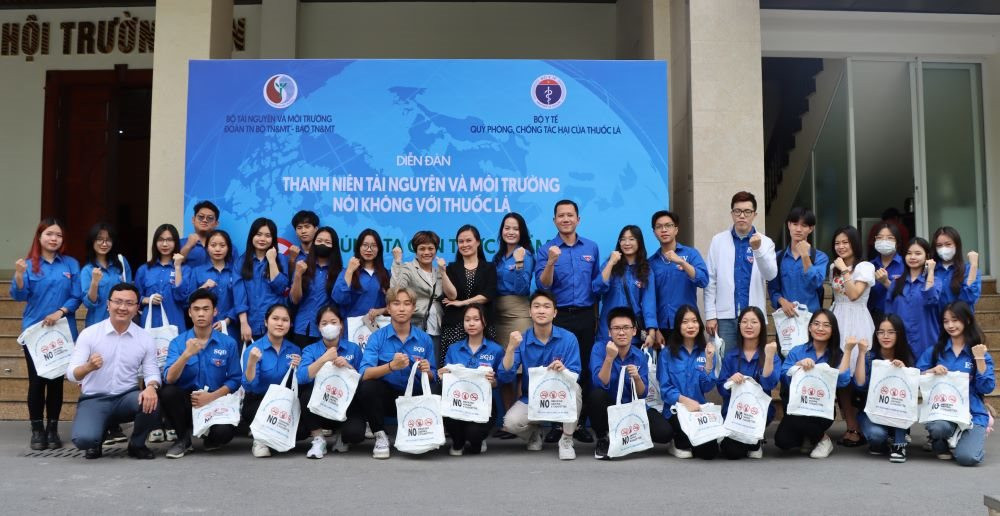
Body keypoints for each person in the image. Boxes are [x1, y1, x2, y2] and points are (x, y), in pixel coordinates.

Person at [66, 283, 160, 459]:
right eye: (118, 302)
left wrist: (151, 387)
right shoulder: (90, 334)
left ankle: (137, 444)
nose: (123, 307)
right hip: (95, 398)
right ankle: (97, 436)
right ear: (108, 305)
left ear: (137, 308)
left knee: (152, 401)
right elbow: (71, 374)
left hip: (127, 397)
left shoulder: (144, 337)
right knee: (84, 440)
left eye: (129, 303)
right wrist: (88, 367)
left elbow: (152, 371)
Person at [11, 218, 82, 450]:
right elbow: (19, 295)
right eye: (49, 234)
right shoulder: (29, 265)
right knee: (37, 381)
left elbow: (77, 295)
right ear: (39, 237)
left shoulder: (70, 264)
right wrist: (20, 275)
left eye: (58, 235)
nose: (54, 239)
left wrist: (60, 312)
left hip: (62, 331)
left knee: (56, 383)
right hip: (35, 332)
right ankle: (37, 430)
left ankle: (52, 430)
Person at [534, 200, 600, 443]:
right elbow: (543, 285)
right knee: (556, 368)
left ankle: (579, 423)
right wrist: (551, 261)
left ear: (578, 219)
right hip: (558, 315)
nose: (565, 219)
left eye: (570, 215)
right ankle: (556, 424)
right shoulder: (547, 249)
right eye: (560, 215)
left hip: (584, 316)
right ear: (554, 221)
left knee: (580, 369)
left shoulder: (591, 248)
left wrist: (595, 318)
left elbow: (595, 287)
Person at [499, 290, 584, 460]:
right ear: (530, 312)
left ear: (555, 312)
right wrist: (510, 348)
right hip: (532, 398)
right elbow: (505, 376)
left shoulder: (569, 338)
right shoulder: (521, 340)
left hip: (560, 396)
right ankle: (534, 432)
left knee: (575, 389)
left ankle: (566, 440)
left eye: (546, 306)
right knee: (510, 423)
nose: (541, 310)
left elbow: (576, 374)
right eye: (536, 306)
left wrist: (563, 369)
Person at [355, 287, 437, 459]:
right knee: (368, 387)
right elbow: (365, 373)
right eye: (396, 303)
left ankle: (426, 432)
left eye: (407, 304)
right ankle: (380, 436)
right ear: (389, 308)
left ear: (413, 307)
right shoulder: (377, 337)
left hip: (414, 398)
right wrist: (391, 366)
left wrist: (427, 371)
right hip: (387, 400)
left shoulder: (424, 339)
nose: (401, 308)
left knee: (439, 388)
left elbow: (433, 376)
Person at [159, 288, 242, 458]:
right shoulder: (178, 342)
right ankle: (183, 439)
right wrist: (186, 354)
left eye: (206, 309)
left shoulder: (228, 343)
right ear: (189, 312)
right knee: (168, 392)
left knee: (224, 433)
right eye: (196, 309)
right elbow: (169, 378)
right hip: (186, 401)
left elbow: (235, 379)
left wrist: (212, 397)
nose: (201, 314)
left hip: (215, 399)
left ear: (215, 311)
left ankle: (210, 438)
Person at [588, 307, 673, 460]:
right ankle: (603, 438)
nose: (621, 332)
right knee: (596, 396)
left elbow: (643, 394)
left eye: (626, 328)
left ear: (634, 331)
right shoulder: (599, 349)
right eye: (616, 328)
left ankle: (631, 436)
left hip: (632, 408)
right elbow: (599, 383)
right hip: (609, 407)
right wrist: (609, 358)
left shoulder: (639, 355)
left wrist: (637, 378)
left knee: (664, 433)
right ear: (609, 332)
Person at [704, 191, 777, 369]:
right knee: (724, 364)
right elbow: (710, 280)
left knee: (755, 363)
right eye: (737, 211)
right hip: (725, 317)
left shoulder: (766, 242)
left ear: (755, 215)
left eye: (747, 212)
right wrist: (710, 315)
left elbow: (771, 275)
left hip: (754, 317)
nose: (742, 216)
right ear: (732, 214)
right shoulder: (718, 241)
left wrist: (758, 250)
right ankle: (728, 397)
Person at [917, 301, 994, 466]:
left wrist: (979, 359)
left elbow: (986, 387)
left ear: (967, 320)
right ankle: (939, 442)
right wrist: (930, 371)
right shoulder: (935, 351)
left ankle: (968, 439)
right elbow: (915, 377)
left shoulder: (979, 351)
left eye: (955, 320)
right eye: (946, 321)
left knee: (967, 458)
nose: (950, 325)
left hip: (973, 413)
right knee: (938, 427)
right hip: (943, 411)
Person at [774, 309, 853, 459]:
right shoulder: (797, 351)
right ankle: (811, 437)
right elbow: (783, 376)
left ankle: (823, 440)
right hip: (798, 407)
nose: (820, 328)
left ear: (833, 330)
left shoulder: (837, 354)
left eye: (826, 325)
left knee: (799, 424)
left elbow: (843, 382)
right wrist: (798, 365)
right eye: (816, 324)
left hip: (823, 410)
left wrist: (848, 351)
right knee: (782, 442)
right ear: (809, 328)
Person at [297, 305, 365, 459]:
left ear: (341, 325)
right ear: (319, 328)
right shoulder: (310, 350)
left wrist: (348, 367)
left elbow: (362, 380)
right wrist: (323, 359)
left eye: (333, 322)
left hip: (345, 407)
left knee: (355, 434)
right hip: (320, 408)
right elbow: (301, 377)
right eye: (324, 323)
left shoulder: (353, 349)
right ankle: (318, 438)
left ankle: (342, 435)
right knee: (306, 393)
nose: (329, 326)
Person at [828, 225, 875, 447]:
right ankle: (851, 426)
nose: (841, 246)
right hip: (838, 320)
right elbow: (838, 298)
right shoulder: (833, 267)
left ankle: (864, 425)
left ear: (855, 243)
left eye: (845, 242)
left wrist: (845, 270)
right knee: (842, 377)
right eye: (837, 243)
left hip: (858, 322)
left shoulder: (865, 267)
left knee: (860, 375)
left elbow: (855, 294)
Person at [439, 304, 504, 456]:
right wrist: (442, 375)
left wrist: (494, 381)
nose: (471, 323)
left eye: (476, 319)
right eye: (467, 320)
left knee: (474, 437)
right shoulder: (453, 349)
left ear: (484, 322)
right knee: (457, 440)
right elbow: (446, 379)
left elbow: (501, 380)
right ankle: (458, 442)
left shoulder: (496, 350)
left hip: (482, 404)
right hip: (457, 402)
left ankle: (477, 440)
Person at [717, 307, 780, 459]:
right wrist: (730, 381)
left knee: (741, 448)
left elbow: (769, 384)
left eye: (754, 322)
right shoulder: (731, 355)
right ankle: (751, 441)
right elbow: (721, 388)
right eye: (744, 322)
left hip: (758, 413)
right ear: (739, 326)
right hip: (734, 413)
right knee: (731, 452)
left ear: (762, 326)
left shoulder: (770, 354)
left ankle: (755, 441)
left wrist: (769, 358)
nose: (749, 326)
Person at [240, 304, 302, 457]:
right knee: (261, 413)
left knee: (302, 431)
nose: (280, 323)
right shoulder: (254, 349)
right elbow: (249, 385)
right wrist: (252, 363)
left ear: (290, 324)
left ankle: (269, 436)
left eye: (285, 320)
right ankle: (260, 439)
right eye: (275, 319)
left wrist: (299, 367)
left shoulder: (294, 349)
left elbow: (298, 382)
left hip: (283, 402)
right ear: (266, 322)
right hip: (257, 401)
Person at [658, 305, 718, 460]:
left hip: (698, 411)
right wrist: (685, 401)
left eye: (694, 321)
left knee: (709, 453)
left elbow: (707, 386)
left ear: (700, 324)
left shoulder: (707, 351)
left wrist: (709, 362)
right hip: (675, 410)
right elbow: (665, 389)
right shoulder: (667, 353)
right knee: (685, 449)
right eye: (685, 322)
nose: (690, 326)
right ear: (678, 326)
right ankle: (677, 440)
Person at [854, 314, 916, 462]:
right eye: (881, 332)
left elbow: (911, 392)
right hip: (871, 411)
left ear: (899, 334)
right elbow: (859, 384)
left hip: (896, 410)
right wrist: (861, 353)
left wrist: (903, 371)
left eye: (891, 332)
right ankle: (884, 440)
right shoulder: (870, 356)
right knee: (877, 437)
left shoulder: (907, 355)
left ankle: (899, 443)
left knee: (898, 403)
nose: (885, 336)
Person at [491, 213, 535, 418]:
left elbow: (522, 287)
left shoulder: (525, 254)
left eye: (515, 229)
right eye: (507, 228)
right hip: (497, 317)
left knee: (518, 372)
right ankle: (508, 421)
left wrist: (518, 264)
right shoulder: (498, 257)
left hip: (518, 314)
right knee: (503, 369)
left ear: (522, 232)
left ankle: (520, 422)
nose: (510, 232)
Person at [593, 225, 657, 349]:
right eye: (623, 239)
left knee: (631, 367)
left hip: (633, 333)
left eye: (632, 239)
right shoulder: (609, 264)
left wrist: (651, 332)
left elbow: (649, 302)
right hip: (608, 332)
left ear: (639, 242)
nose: (627, 243)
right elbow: (597, 289)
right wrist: (611, 263)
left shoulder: (646, 270)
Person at [440, 224, 497, 360]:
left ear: (477, 242)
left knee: (482, 368)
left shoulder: (489, 267)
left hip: (482, 324)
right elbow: (452, 295)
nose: (464, 245)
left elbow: (487, 295)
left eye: (468, 240)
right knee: (452, 369)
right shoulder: (452, 268)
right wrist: (443, 272)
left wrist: (462, 303)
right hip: (454, 326)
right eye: (461, 241)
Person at [648, 210, 708, 339]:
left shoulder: (691, 254)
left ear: (676, 230)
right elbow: (649, 299)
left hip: (689, 324)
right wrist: (655, 329)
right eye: (659, 227)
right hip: (663, 327)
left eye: (668, 225)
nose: (664, 230)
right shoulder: (651, 263)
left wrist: (682, 262)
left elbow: (703, 280)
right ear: (654, 233)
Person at [390, 231, 446, 359]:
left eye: (431, 248)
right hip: (414, 326)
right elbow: (396, 290)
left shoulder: (438, 272)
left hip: (436, 327)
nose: (426, 252)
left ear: (436, 250)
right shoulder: (408, 268)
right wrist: (397, 262)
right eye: (422, 249)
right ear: (416, 251)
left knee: (432, 367)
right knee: (413, 366)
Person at [235, 217, 289, 345]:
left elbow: (280, 287)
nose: (262, 239)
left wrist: (271, 260)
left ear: (273, 238)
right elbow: (239, 295)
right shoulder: (241, 261)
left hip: (276, 325)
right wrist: (243, 323)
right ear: (252, 236)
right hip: (250, 324)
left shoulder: (281, 259)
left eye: (267, 236)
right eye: (258, 234)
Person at [884, 238, 941, 359]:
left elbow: (931, 300)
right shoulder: (896, 283)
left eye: (918, 253)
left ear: (927, 256)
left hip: (926, 341)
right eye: (909, 253)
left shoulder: (935, 282)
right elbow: (888, 316)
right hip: (901, 344)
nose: (912, 257)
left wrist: (930, 271)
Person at [768, 207, 828, 316]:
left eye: (804, 225)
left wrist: (805, 255)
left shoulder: (820, 257)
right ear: (789, 225)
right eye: (795, 224)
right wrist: (782, 301)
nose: (798, 229)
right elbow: (773, 289)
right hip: (786, 319)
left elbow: (816, 283)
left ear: (811, 229)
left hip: (811, 318)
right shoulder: (778, 257)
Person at [290, 226, 343, 347]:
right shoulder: (302, 266)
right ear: (313, 243)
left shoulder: (340, 272)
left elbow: (341, 301)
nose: (322, 244)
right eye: (319, 241)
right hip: (302, 327)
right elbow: (295, 299)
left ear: (333, 246)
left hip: (328, 331)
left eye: (327, 242)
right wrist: (298, 274)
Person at [135, 223, 190, 329]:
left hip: (174, 323)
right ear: (155, 242)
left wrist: (177, 266)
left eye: (169, 240)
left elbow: (181, 297)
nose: (165, 244)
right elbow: (134, 298)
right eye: (161, 240)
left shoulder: (185, 269)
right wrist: (146, 299)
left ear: (175, 242)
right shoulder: (144, 270)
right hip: (149, 323)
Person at [186, 229, 240, 334]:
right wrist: (202, 288)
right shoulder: (197, 271)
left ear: (229, 248)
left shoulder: (236, 272)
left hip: (230, 328)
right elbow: (188, 300)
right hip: (203, 328)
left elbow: (240, 300)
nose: (218, 249)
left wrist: (226, 321)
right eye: (213, 245)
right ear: (207, 248)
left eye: (222, 245)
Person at [80, 223, 132, 328]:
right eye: (99, 239)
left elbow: (130, 293)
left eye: (108, 240)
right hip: (97, 324)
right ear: (92, 241)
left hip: (121, 323)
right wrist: (94, 282)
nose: (104, 244)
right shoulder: (87, 270)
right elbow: (89, 304)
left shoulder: (121, 263)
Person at [333, 228, 390, 320]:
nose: (369, 249)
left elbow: (394, 306)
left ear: (379, 249)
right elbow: (339, 299)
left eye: (373, 246)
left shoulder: (385, 274)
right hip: (352, 329)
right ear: (358, 247)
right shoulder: (347, 271)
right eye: (365, 245)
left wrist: (380, 311)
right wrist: (350, 271)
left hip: (377, 328)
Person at [932, 226, 981, 314]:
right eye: (939, 245)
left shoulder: (968, 269)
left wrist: (974, 266)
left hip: (961, 324)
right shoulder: (930, 269)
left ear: (957, 245)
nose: (943, 249)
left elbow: (970, 297)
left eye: (948, 244)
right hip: (937, 324)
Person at [179, 201, 236, 269]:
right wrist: (188, 246)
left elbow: (235, 272)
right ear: (193, 220)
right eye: (201, 217)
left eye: (210, 218)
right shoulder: (179, 243)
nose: (205, 220)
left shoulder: (228, 247)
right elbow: (172, 267)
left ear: (216, 223)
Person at [867, 222, 904, 321]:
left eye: (890, 238)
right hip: (872, 317)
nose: (884, 241)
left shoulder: (905, 265)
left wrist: (886, 282)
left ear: (897, 242)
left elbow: (908, 296)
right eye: (880, 237)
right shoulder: (869, 265)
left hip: (897, 316)